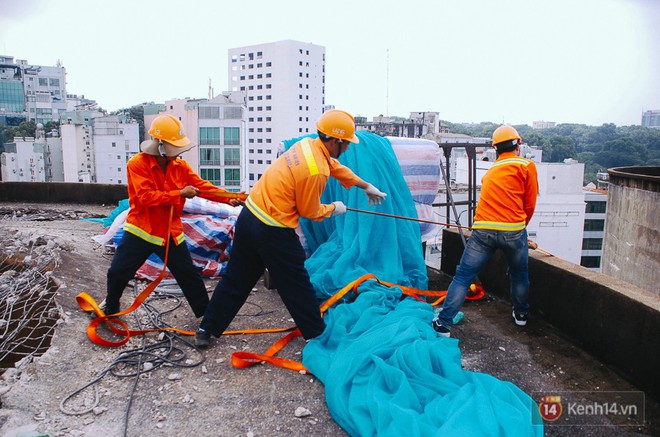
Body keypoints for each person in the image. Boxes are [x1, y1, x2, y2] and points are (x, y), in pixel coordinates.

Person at [194, 109, 387, 347]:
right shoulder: (314, 172)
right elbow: (310, 211)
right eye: (346, 143)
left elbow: (333, 166)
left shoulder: (307, 146)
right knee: (296, 283)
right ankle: (317, 334)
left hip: (249, 216)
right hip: (273, 230)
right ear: (336, 140)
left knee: (236, 279)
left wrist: (364, 185)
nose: (347, 148)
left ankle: (206, 329)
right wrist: (334, 208)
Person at [102, 114, 243, 318]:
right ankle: (111, 309)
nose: (177, 154)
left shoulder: (180, 167)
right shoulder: (138, 164)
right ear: (160, 145)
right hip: (141, 231)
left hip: (170, 232)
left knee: (188, 275)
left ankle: (207, 317)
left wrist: (227, 198)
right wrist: (179, 194)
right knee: (117, 273)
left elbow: (202, 187)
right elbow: (144, 197)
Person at [432, 125, 538, 337]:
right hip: (513, 230)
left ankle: (443, 323)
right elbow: (529, 203)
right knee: (519, 274)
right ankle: (521, 315)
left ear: (495, 148)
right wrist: (520, 231)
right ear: (518, 143)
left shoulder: (491, 171)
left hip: (482, 230)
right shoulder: (526, 165)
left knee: (463, 276)